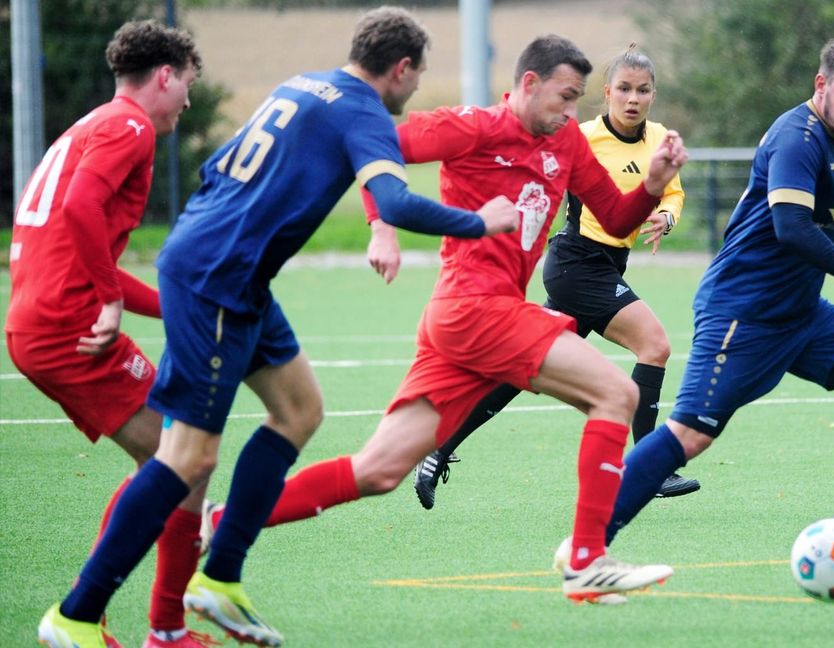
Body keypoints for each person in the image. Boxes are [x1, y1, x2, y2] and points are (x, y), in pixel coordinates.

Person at [36, 8, 519, 647]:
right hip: (217, 276)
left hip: (235, 272)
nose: (413, 88)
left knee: (299, 410)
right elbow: (397, 201)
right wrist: (480, 221)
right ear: (400, 69)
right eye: (417, 75)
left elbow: (224, 170)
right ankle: (74, 614)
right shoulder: (364, 110)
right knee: (187, 456)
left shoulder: (302, 84)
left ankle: (221, 579)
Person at [202, 34, 689, 604]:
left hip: (466, 319)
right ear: (528, 84)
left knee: (379, 469)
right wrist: (382, 224)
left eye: (578, 100)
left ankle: (221, 522)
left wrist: (653, 185)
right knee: (614, 395)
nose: (570, 112)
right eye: (563, 97)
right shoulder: (472, 127)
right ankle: (586, 559)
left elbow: (615, 214)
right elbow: (373, 145)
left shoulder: (567, 145)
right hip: (475, 307)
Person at [576, 37, 834, 578]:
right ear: (821, 85)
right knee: (689, 435)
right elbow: (791, 229)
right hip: (743, 311)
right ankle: (587, 546)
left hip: (800, 311)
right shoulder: (797, 138)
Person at [404, 45, 699, 509]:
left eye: (642, 91)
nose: (633, 99)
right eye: (623, 89)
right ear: (606, 93)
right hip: (577, 265)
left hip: (604, 267)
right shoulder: (577, 136)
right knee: (655, 345)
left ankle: (439, 447)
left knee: (518, 373)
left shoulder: (659, 139)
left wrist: (666, 214)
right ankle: (650, 468)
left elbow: (671, 194)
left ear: (654, 95)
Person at [8, 21, 215, 648]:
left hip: (42, 321)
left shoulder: (96, 124)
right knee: (187, 456)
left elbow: (82, 245)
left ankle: (137, 622)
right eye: (186, 84)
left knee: (179, 459)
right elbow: (78, 210)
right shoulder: (129, 127)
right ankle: (108, 620)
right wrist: (105, 300)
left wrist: (180, 307)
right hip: (67, 327)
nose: (186, 99)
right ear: (164, 76)